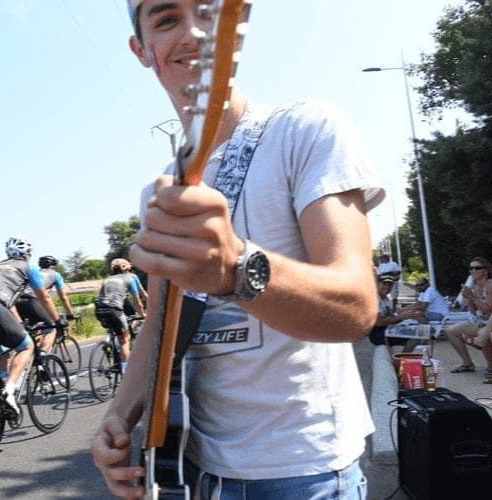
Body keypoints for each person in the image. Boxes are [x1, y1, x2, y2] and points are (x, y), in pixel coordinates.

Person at [91, 1, 383, 498]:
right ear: (142, 50)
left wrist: (236, 266)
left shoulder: (306, 129)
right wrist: (119, 415)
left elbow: (356, 307)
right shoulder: (160, 192)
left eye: (208, 11)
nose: (193, 33)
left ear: (236, 25)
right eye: (166, 20)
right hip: (194, 470)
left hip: (306, 472)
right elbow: (160, 323)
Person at [0, 237, 62, 415]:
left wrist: (17, 324)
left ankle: (0, 402)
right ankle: (9, 391)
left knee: (1, 354)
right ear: (26, 254)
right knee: (27, 346)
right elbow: (44, 297)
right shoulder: (28, 266)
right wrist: (57, 321)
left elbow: (10, 302)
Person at [94, 258, 146, 374]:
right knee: (124, 341)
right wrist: (143, 315)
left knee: (114, 329)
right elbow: (137, 301)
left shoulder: (107, 279)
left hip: (99, 308)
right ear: (127, 268)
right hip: (114, 309)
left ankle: (108, 343)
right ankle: (127, 374)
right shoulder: (129, 278)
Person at [443, 257, 492, 377]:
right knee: (450, 331)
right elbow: (474, 312)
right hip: (479, 321)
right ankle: (467, 363)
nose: (473, 270)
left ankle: (490, 366)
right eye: (471, 268)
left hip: (489, 322)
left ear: (486, 270)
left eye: (477, 268)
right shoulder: (473, 286)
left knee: (483, 335)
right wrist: (469, 300)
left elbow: (489, 311)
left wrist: (473, 298)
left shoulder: (490, 285)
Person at [15, 255, 73, 352]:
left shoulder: (34, 272)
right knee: (51, 328)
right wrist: (70, 314)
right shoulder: (55, 274)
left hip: (17, 302)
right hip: (32, 300)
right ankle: (42, 358)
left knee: (35, 329)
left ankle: (33, 358)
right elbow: (63, 297)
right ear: (53, 265)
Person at [368, 274, 420, 357]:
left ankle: (401, 359)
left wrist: (403, 314)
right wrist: (401, 317)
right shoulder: (373, 299)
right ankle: (401, 360)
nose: (387, 287)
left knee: (416, 330)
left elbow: (391, 316)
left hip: (387, 330)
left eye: (390, 285)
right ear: (377, 284)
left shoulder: (386, 299)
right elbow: (379, 322)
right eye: (384, 284)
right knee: (415, 335)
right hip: (377, 334)